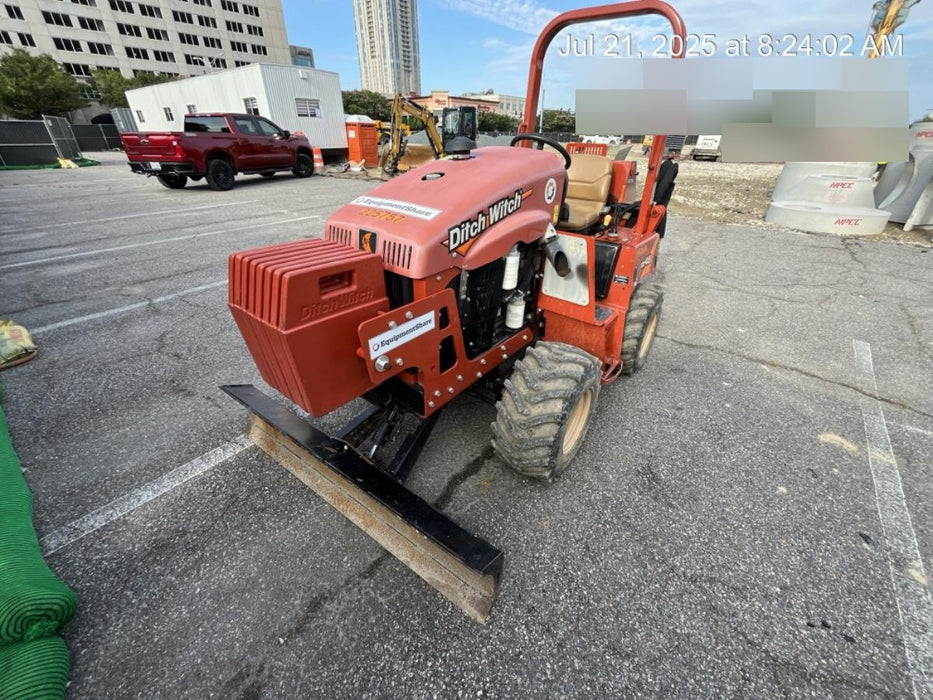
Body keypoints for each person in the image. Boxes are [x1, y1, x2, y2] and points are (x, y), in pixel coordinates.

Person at [654, 151, 679, 238]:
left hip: (659, 195)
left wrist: (657, 199)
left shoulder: (671, 165)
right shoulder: (670, 164)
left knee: (659, 210)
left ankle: (657, 233)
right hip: (661, 194)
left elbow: (665, 182)